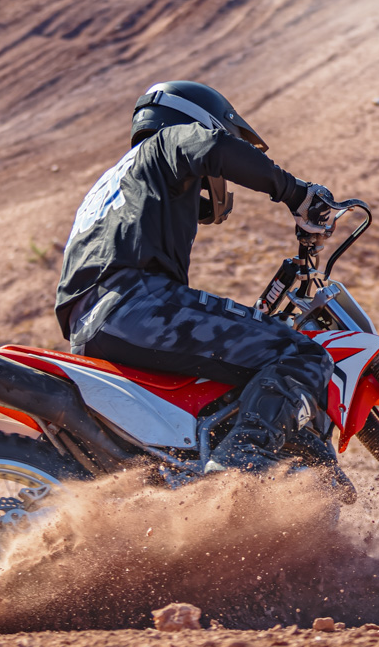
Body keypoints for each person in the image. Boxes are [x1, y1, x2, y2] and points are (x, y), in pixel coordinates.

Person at [55, 81, 340, 470]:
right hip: (135, 305)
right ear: (198, 123)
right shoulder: (166, 142)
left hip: (91, 326)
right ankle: (242, 463)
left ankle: (215, 468)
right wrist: (297, 194)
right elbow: (214, 149)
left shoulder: (114, 181)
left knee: (230, 391)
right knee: (301, 354)